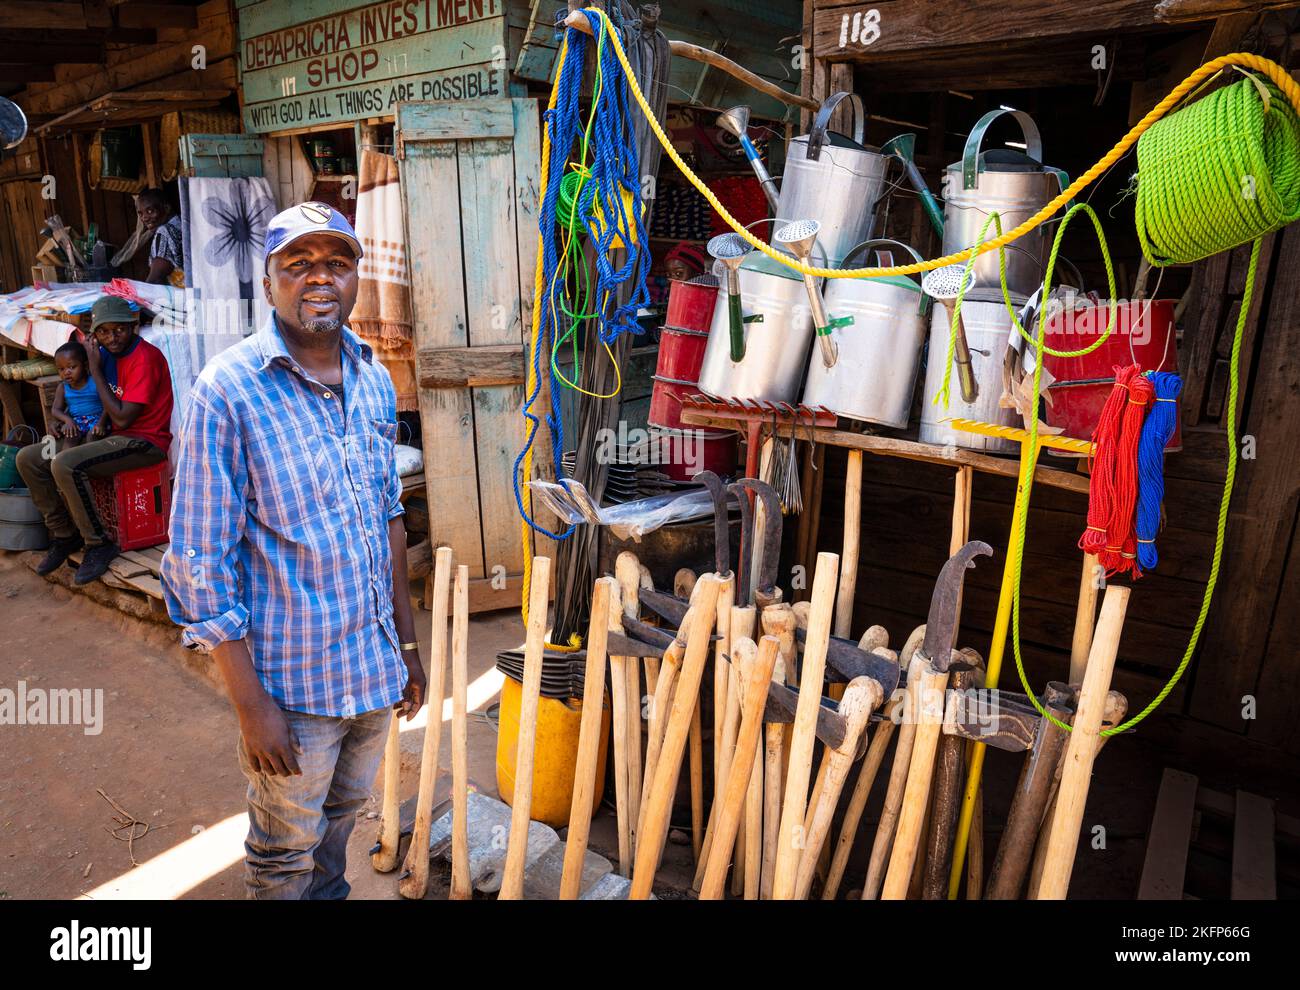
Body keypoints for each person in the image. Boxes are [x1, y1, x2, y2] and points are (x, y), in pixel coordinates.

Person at [160, 201, 425, 900]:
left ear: (356, 278)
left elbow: (388, 516)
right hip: (292, 684)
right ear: (270, 278)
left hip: (371, 665)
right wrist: (250, 703)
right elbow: (198, 558)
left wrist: (408, 647)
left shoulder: (371, 380)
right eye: (298, 264)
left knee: (339, 824)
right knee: (283, 852)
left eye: (336, 263)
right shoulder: (227, 391)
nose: (319, 279)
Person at [17, 296, 174, 585]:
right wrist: (61, 422)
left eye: (120, 329)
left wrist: (96, 368)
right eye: (104, 331)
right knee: (29, 458)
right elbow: (76, 394)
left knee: (65, 463)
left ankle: (99, 543)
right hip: (106, 436)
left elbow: (124, 418)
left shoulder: (143, 358)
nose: (112, 338)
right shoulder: (102, 354)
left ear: (134, 327)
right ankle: (64, 534)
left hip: (141, 442)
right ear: (94, 333)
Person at [49, 341, 109, 447]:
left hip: (98, 420)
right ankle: (63, 460)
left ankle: (89, 461)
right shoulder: (63, 387)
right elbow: (55, 409)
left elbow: (107, 405)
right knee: (70, 437)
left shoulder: (95, 382)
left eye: (72, 367)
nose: (66, 372)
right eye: (61, 369)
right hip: (77, 422)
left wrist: (101, 423)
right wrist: (68, 420)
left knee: (92, 436)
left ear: (85, 365)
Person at [136, 187, 185, 287]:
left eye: (150, 211)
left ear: (166, 208)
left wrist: (141, 297)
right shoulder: (183, 223)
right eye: (141, 214)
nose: (144, 218)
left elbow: (155, 279)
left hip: (179, 298)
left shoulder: (164, 232)